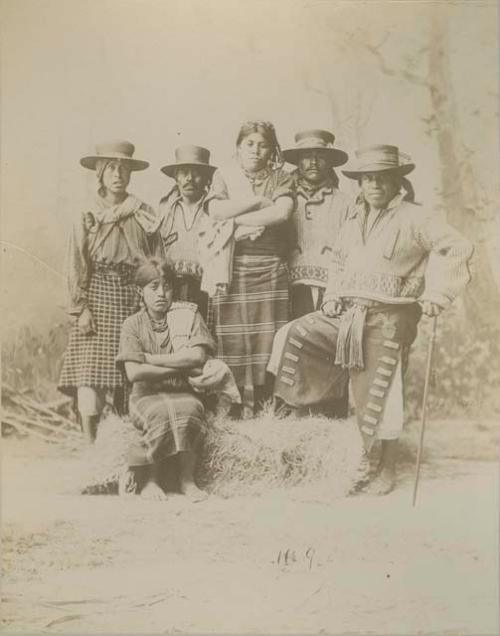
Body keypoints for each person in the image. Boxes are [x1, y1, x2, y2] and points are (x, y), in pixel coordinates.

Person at [270, 144, 473, 494]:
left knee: (382, 388)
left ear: (398, 183)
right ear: (359, 184)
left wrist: (438, 294)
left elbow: (457, 246)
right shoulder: (353, 218)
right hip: (349, 313)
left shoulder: (416, 217)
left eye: (383, 179)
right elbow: (338, 263)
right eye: (367, 180)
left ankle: (385, 468)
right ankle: (304, 430)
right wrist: (333, 295)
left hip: (390, 317)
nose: (375, 186)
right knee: (294, 334)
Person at [58, 141, 164, 443]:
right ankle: (91, 449)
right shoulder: (87, 213)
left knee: (129, 374)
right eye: (111, 168)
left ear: (131, 173)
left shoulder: (143, 212)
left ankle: (123, 445)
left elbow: (156, 260)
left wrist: (151, 300)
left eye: (124, 168)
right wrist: (81, 309)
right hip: (97, 294)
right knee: (89, 374)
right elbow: (76, 262)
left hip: (133, 297)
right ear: (100, 173)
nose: (118, 174)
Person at [208, 121, 295, 417]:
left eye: (263, 145)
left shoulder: (282, 177)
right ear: (238, 147)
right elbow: (215, 211)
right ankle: (231, 411)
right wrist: (257, 203)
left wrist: (234, 222)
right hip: (232, 268)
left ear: (271, 149)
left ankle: (264, 410)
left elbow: (282, 212)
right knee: (231, 342)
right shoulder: (224, 176)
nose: (256, 150)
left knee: (268, 343)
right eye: (250, 144)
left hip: (270, 268)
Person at [116, 258, 218, 502]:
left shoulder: (188, 315)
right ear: (140, 291)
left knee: (190, 409)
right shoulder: (132, 325)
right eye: (153, 287)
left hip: (185, 391)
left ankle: (186, 479)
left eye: (167, 286)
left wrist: (153, 360)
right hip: (145, 395)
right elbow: (135, 373)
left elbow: (198, 356)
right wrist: (179, 367)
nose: (162, 293)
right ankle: (151, 480)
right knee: (160, 413)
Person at [284, 129, 350, 317]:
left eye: (320, 156)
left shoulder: (345, 203)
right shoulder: (283, 199)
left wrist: (336, 292)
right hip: (288, 288)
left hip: (332, 291)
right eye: (306, 156)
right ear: (298, 161)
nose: (313, 162)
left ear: (329, 162)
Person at [158, 145, 227, 320]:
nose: (189, 179)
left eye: (196, 173)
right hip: (171, 289)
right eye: (183, 172)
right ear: (175, 177)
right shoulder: (165, 211)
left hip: (205, 290)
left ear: (206, 178)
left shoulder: (216, 208)